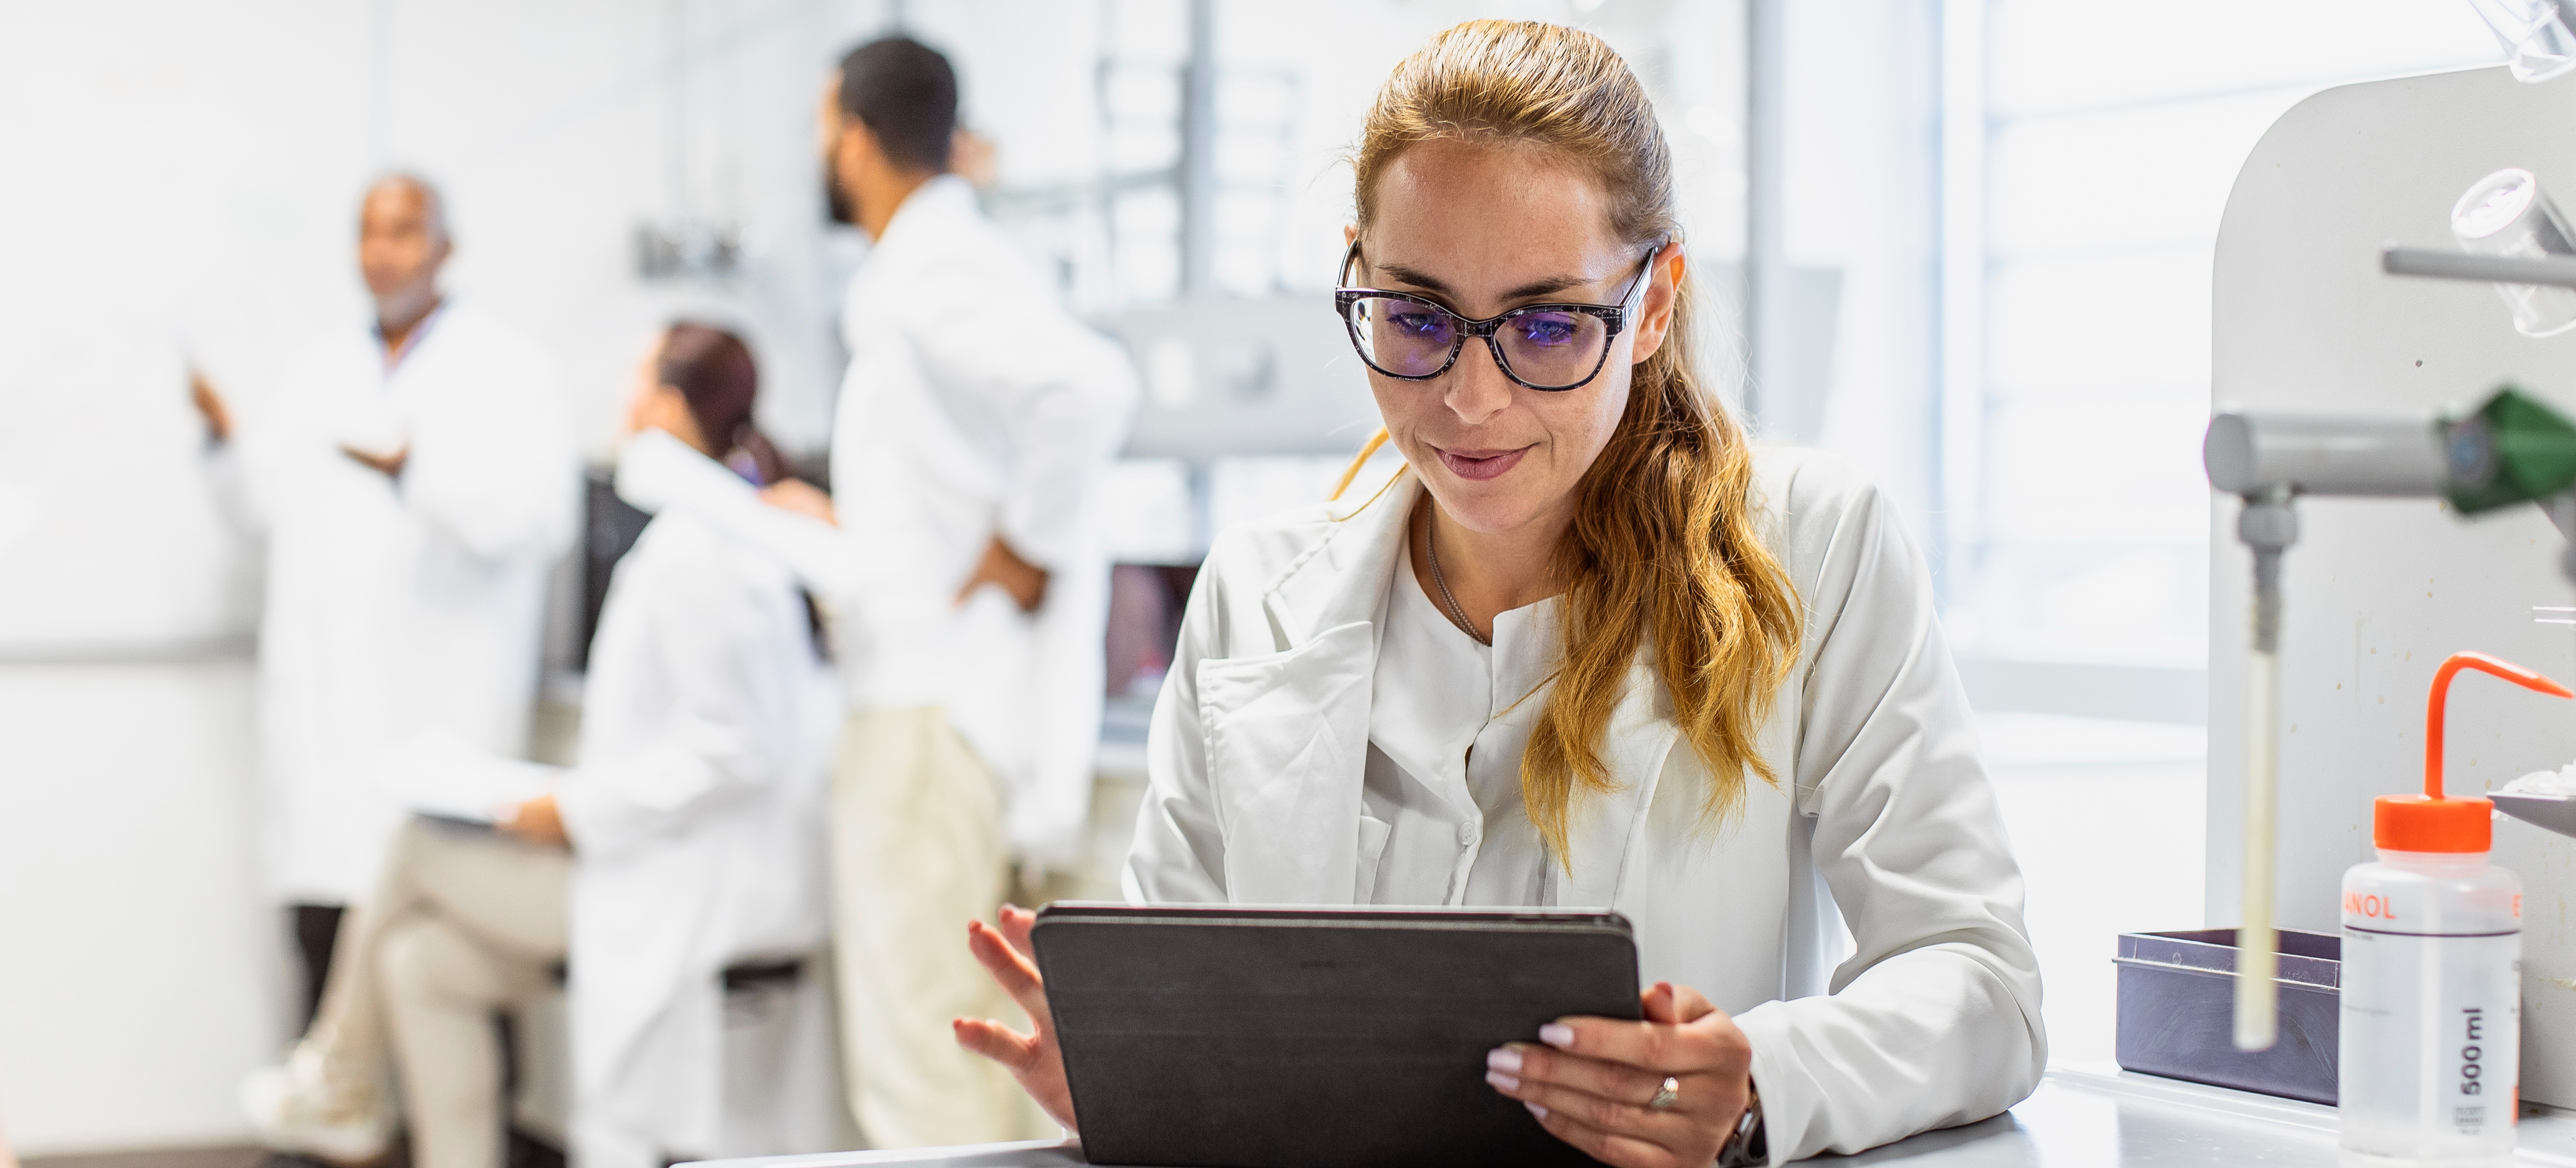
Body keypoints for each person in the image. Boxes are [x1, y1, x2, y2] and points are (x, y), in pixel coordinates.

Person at [955, 20, 2044, 1168]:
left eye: (1548, 325)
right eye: (1417, 318)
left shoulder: (1814, 548)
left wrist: (1762, 1079)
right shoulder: (1252, 594)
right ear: (1356, 275)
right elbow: (1193, 1020)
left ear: (1653, 305)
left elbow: (1980, 981)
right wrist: (1141, 1078)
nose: (1471, 399)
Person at [616, 36, 1138, 1148]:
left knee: (921, 1067)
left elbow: (1088, 391)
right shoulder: (929, 266)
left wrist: (1024, 547)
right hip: (928, 704)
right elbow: (949, 488)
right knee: (955, 1061)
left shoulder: (931, 263)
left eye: (823, 128)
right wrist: (850, 529)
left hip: (922, 719)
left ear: (853, 137)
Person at [242, 324, 841, 1168]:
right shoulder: (700, 537)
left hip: (687, 885)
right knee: (419, 963)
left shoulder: (705, 551)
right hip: (656, 859)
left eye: (636, 379)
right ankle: (359, 1095)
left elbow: (735, 749)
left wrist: (573, 809)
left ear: (669, 409)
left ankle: (338, 1074)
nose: (621, 402)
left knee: (416, 844)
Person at [193, 173, 576, 1023]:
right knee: (325, 937)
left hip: (443, 700)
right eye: (368, 233)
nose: (382, 252)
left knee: (447, 954)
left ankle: (462, 1112)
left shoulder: (509, 371)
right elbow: (263, 508)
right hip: (329, 715)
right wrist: (223, 442)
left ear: (446, 246)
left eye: (402, 232)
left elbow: (539, 519)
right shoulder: (319, 373)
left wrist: (416, 474)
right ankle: (331, 1107)